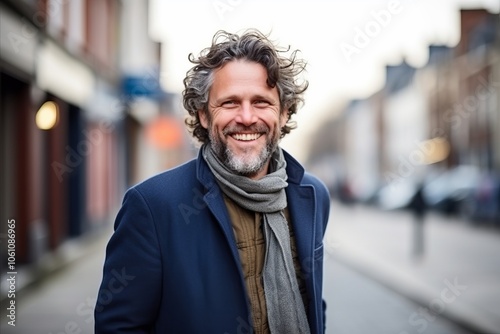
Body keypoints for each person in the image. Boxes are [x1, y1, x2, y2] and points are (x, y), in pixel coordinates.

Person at [95, 29, 330, 334]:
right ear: (204, 115)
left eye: (261, 102)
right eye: (230, 102)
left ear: (283, 113)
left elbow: (312, 304)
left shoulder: (311, 196)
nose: (246, 117)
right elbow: (120, 327)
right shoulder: (153, 206)